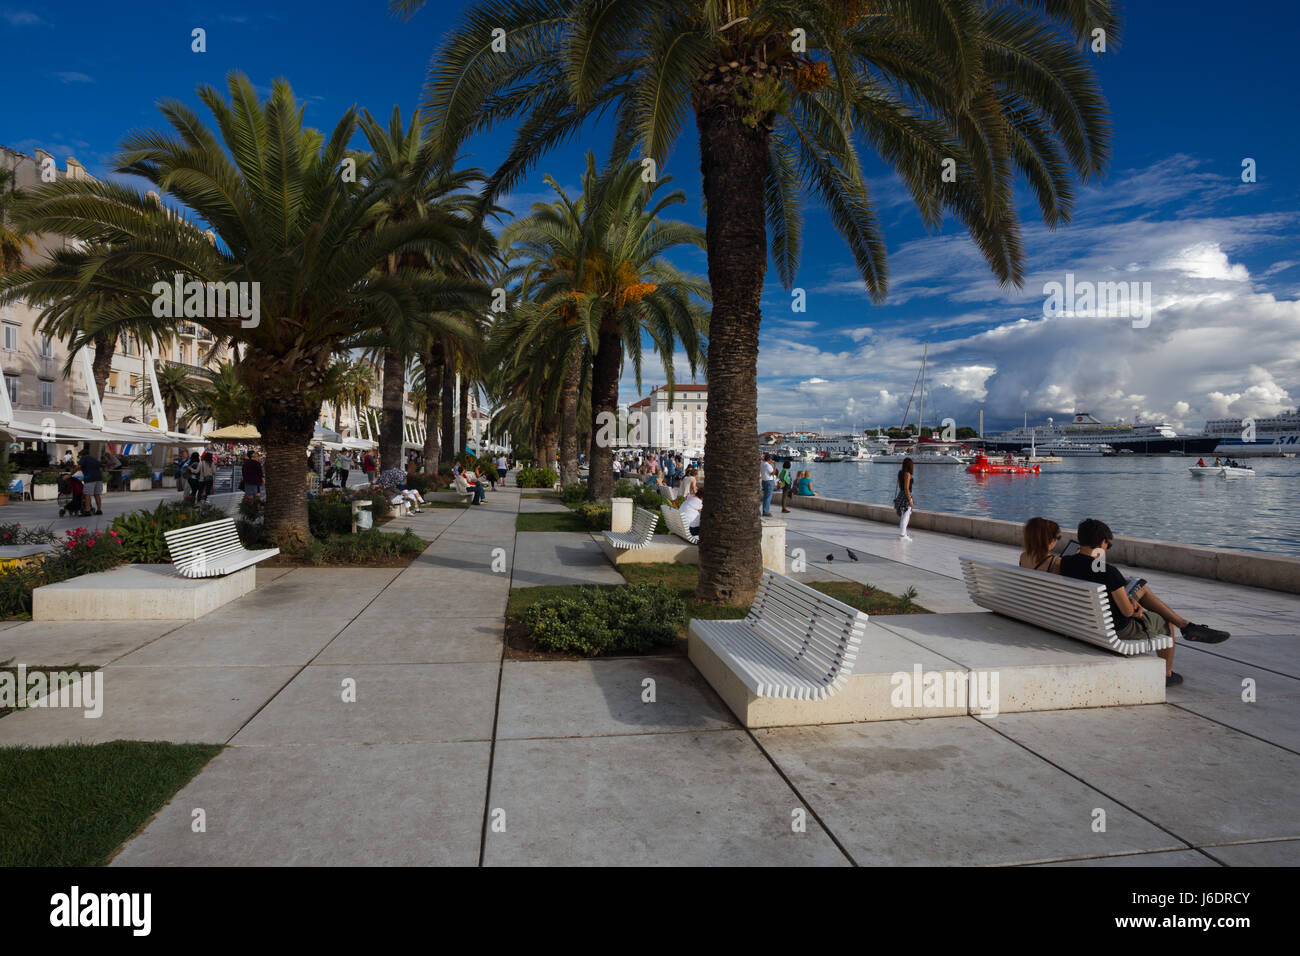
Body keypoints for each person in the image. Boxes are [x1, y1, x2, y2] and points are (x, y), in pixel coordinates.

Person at [1060, 518, 1231, 687]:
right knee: (1164, 621)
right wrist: (1136, 610)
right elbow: (1127, 612)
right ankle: (1166, 673)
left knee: (1140, 588)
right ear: (1102, 542)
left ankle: (1186, 625)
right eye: (1107, 545)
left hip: (1082, 622)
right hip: (1114, 628)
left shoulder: (1065, 563)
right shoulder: (1107, 571)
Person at [78, 448, 104, 515]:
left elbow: (77, 467)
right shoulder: (95, 460)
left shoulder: (84, 459)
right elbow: (101, 469)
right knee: (97, 494)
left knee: (87, 495)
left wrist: (70, 475)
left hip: (89, 479)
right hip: (98, 478)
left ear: (82, 455)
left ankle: (87, 511)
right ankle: (99, 510)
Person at [894, 457, 915, 540]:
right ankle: (902, 535)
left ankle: (904, 533)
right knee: (906, 516)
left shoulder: (900, 473)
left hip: (901, 495)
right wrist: (910, 500)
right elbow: (906, 488)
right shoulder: (908, 474)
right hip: (906, 496)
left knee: (904, 515)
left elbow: (900, 486)